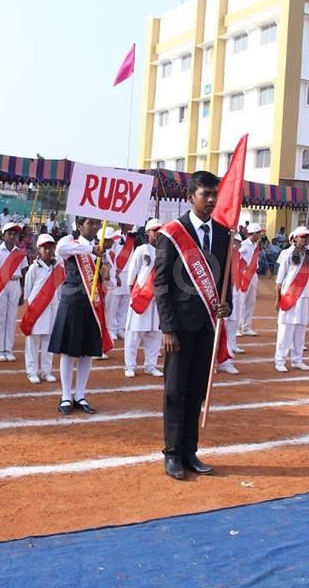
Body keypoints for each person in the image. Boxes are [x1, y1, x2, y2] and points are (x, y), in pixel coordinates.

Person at [154, 170, 231, 480]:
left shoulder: (225, 234)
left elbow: (226, 279)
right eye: (205, 195)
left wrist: (227, 307)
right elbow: (161, 282)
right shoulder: (173, 232)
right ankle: (172, 454)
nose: (211, 200)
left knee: (198, 390)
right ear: (191, 197)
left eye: (215, 195)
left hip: (208, 326)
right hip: (180, 326)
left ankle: (190, 451)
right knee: (175, 391)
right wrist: (168, 328)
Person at [49, 217, 113, 414]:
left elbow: (111, 283)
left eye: (96, 224)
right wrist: (91, 250)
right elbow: (61, 251)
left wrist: (106, 273)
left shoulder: (102, 250)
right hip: (72, 302)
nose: (94, 227)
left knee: (87, 351)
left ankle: (80, 395)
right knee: (69, 350)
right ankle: (66, 395)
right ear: (79, 226)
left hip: (92, 304)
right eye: (90, 223)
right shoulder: (71, 244)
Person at [124, 219, 164, 378]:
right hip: (141, 295)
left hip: (157, 298)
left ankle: (151, 365)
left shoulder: (165, 250)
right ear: (148, 233)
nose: (158, 233)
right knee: (134, 333)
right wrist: (132, 295)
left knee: (154, 333)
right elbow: (132, 272)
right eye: (155, 231)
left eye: (159, 230)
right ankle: (130, 365)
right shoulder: (142, 249)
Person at [21, 233, 61, 384]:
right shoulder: (33, 268)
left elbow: (59, 288)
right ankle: (31, 371)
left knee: (49, 339)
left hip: (52, 307)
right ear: (39, 249)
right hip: (37, 308)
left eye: (51, 247)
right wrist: (31, 307)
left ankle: (46, 370)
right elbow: (28, 290)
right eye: (45, 248)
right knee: (33, 341)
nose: (48, 251)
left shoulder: (58, 267)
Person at [273, 226, 309, 372]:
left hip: (304, 296)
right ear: (295, 238)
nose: (305, 239)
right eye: (302, 237)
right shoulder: (287, 254)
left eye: (306, 237)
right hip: (289, 295)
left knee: (300, 328)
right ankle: (280, 360)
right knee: (286, 329)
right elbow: (279, 280)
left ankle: (297, 359)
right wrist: (278, 299)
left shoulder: (308, 255)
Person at [0, 221, 28, 361]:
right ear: (3, 235)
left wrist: (23, 292)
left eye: (14, 234)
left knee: (11, 318)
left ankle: (8, 349)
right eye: (9, 233)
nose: (12, 236)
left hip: (15, 284)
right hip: (0, 286)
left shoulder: (20, 253)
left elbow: (24, 273)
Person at [218, 232, 244, 376]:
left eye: (237, 242)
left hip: (234, 293)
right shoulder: (220, 253)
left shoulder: (236, 255)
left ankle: (225, 360)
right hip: (218, 294)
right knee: (218, 328)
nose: (235, 245)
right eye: (233, 242)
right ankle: (213, 361)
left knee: (231, 324)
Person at [107, 224, 136, 340]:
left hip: (128, 274)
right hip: (117, 273)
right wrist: (114, 274)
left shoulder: (132, 238)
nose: (132, 224)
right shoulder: (115, 237)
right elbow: (111, 256)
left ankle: (120, 328)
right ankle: (111, 329)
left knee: (125, 303)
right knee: (113, 304)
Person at [237, 223, 263, 336]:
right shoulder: (243, 245)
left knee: (250, 302)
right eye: (259, 233)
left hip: (253, 274)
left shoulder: (256, 245)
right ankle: (237, 327)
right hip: (244, 274)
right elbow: (237, 257)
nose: (260, 235)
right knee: (241, 301)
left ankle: (246, 327)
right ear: (254, 233)